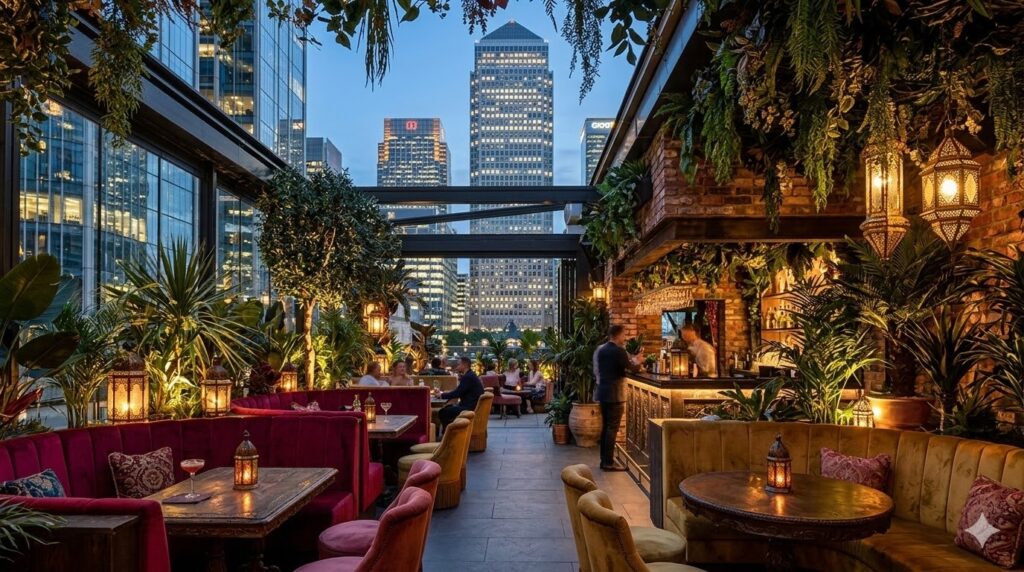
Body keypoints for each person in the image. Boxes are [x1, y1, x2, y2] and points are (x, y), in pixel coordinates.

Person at [593, 324, 640, 471]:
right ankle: (608, 462)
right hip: (615, 394)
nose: (624, 338)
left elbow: (603, 370)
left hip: (603, 393)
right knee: (612, 429)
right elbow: (630, 369)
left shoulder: (601, 350)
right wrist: (638, 362)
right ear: (618, 335)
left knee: (606, 428)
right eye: (624, 335)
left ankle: (604, 460)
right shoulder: (619, 351)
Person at [438, 356, 485, 429]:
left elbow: (457, 393)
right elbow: (459, 391)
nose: (457, 367)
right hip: (472, 406)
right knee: (448, 408)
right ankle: (451, 431)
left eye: (458, 364)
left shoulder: (468, 377)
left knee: (443, 412)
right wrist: (444, 394)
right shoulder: (470, 375)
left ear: (464, 365)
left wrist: (441, 395)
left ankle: (449, 433)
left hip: (468, 409)